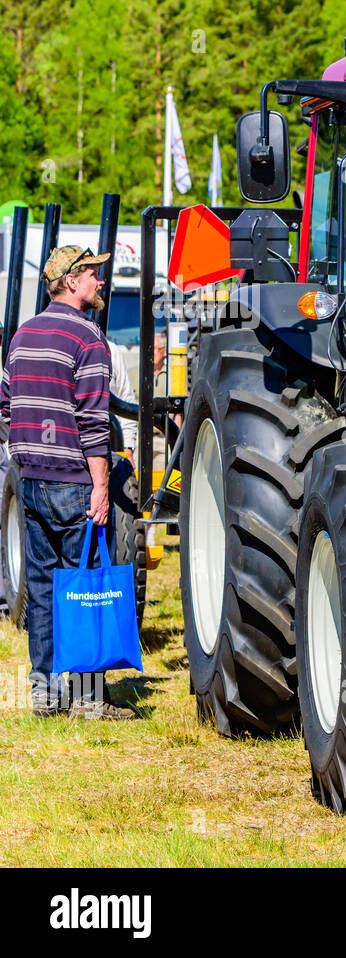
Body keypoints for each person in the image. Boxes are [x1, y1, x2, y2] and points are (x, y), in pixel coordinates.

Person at [0, 246, 137, 720]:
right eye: (94, 274)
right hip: (75, 481)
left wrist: (22, 450)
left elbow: (4, 403)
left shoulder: (22, 335)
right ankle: (87, 699)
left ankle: (45, 692)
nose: (100, 281)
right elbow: (95, 423)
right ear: (72, 280)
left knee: (43, 585)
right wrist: (101, 488)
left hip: (30, 477)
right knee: (87, 584)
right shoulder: (88, 338)